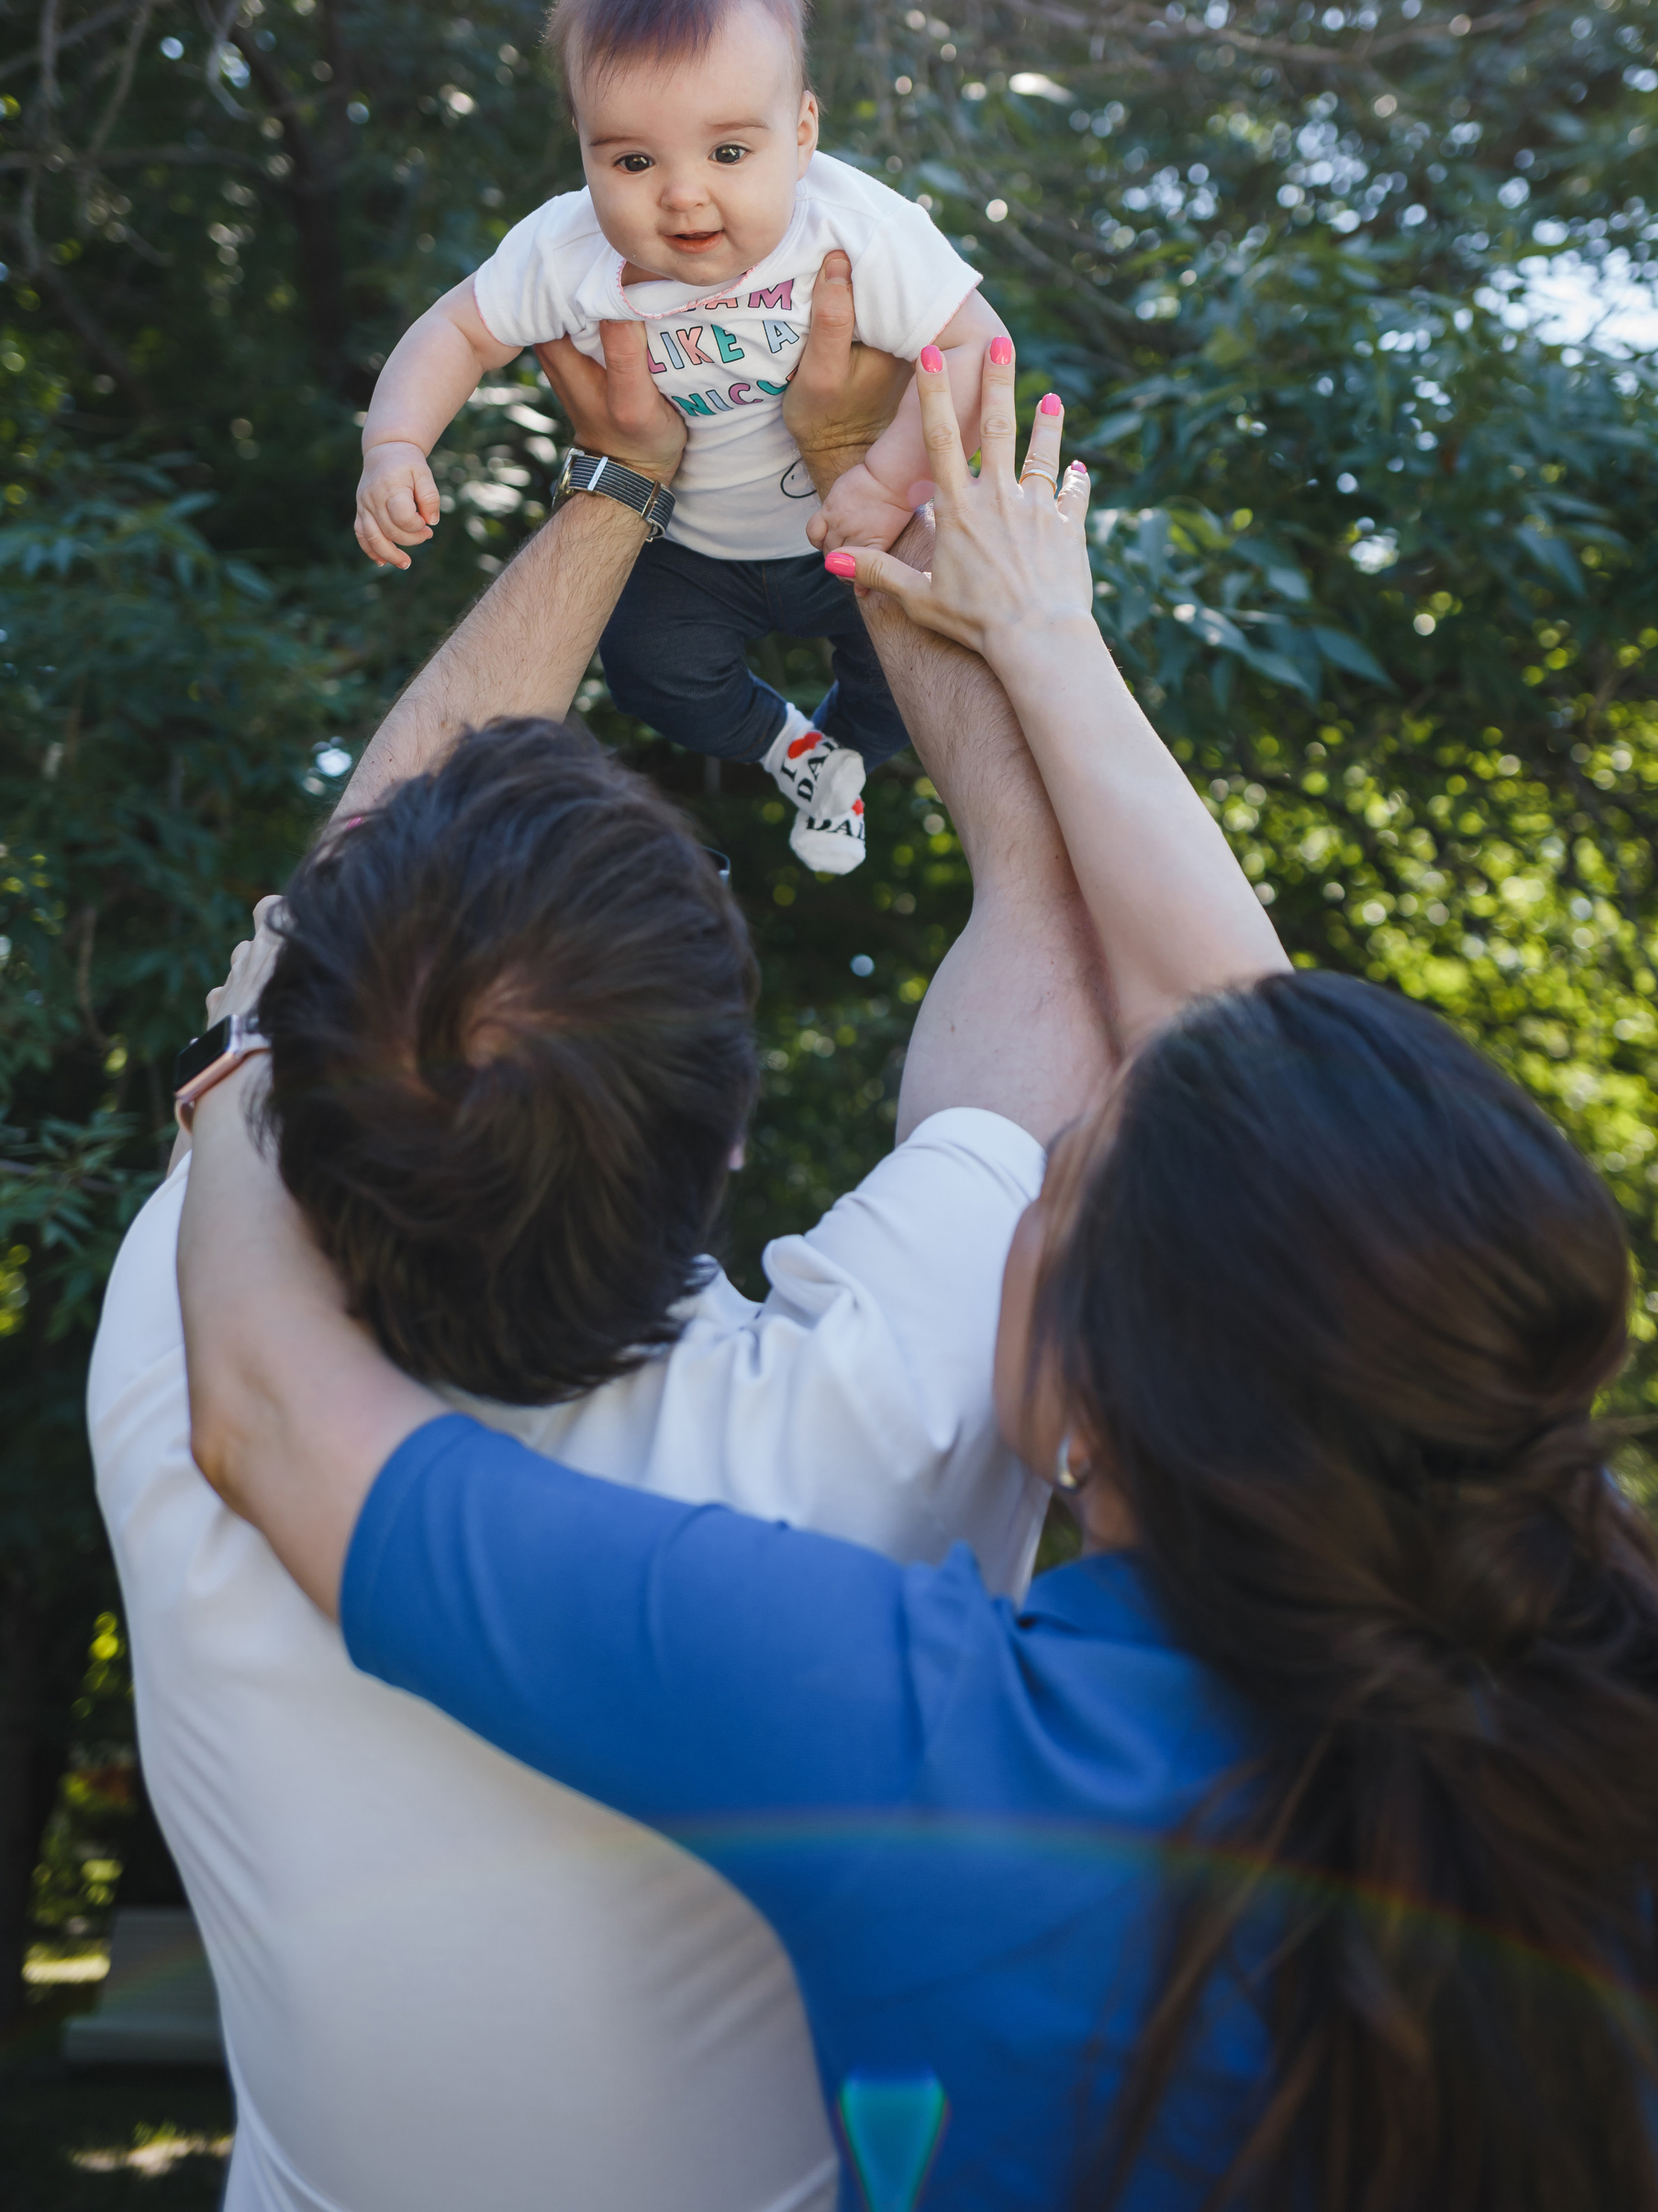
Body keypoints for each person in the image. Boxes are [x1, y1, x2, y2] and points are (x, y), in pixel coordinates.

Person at [178, 345, 1658, 2212]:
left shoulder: (930, 1745)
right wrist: (1027, 633)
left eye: (1058, 1184)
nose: (1062, 1145)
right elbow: (1266, 1111)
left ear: (1083, 1404)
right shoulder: (1588, 1667)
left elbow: (270, 1418)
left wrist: (267, 1038)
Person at [90, 284, 1127, 2212]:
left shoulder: (182, 1338)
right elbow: (1053, 942)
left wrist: (622, 483)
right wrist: (861, 501)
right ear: (726, 1135)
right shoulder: (872, 1431)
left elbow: (333, 920)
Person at [353, 0, 1010, 874]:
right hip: (690, 548)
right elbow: (454, 330)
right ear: (583, 146)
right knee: (649, 671)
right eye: (632, 161)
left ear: (802, 134)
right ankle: (790, 748)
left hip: (849, 519)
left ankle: (847, 757)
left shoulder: (850, 228)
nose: (683, 194)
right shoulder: (565, 249)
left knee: (919, 664)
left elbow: (977, 345)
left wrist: (883, 482)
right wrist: (396, 445)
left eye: (729, 153)